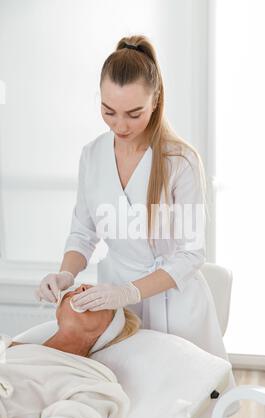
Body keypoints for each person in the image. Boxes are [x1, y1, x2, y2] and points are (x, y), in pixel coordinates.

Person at [36, 34, 231, 371]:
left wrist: (129, 292)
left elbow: (190, 254)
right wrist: (65, 274)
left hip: (175, 304)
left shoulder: (179, 161)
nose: (120, 125)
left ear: (155, 101)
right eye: (108, 111)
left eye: (133, 113)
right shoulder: (92, 156)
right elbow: (83, 233)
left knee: (181, 405)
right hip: (114, 308)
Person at [0, 284, 140, 418]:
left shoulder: (90, 378)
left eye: (98, 297)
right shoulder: (8, 345)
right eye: (78, 287)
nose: (82, 288)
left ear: (108, 330)